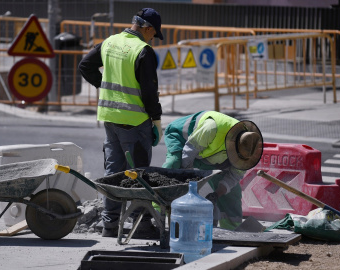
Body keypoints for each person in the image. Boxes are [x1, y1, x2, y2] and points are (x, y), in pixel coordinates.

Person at [78, 8, 164, 238]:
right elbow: (149, 91)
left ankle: (109, 225)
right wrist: (156, 119)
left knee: (114, 172)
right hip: (135, 121)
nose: (152, 38)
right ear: (148, 28)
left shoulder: (110, 42)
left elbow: (85, 65)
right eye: (154, 34)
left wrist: (105, 87)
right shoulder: (142, 51)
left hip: (110, 118)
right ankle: (141, 225)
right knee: (138, 174)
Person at [162, 111, 263, 230]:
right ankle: (157, 210)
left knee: (232, 192)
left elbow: (234, 176)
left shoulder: (249, 149)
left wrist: (216, 194)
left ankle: (232, 230)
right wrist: (190, 189)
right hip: (182, 139)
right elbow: (188, 153)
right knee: (173, 165)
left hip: (210, 156)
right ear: (232, 145)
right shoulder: (212, 128)